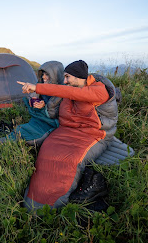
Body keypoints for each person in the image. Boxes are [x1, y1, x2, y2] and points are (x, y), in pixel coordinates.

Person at [17, 60, 119, 212]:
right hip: (65, 132)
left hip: (93, 135)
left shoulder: (98, 90)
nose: (64, 81)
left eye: (67, 77)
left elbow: (74, 93)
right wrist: (40, 101)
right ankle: (33, 202)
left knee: (69, 161)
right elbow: (55, 111)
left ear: (78, 77)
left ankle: (49, 207)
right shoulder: (70, 89)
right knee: (46, 154)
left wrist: (38, 86)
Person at [0, 61, 64, 147]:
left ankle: (5, 143)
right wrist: (33, 99)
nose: (43, 77)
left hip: (49, 124)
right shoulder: (41, 86)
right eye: (43, 74)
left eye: (47, 74)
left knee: (30, 134)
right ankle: (9, 138)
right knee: (23, 128)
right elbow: (36, 97)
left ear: (55, 76)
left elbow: (58, 113)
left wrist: (44, 106)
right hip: (37, 119)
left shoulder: (63, 93)